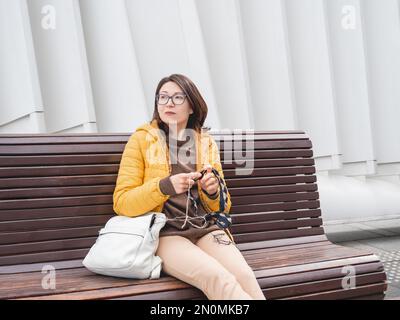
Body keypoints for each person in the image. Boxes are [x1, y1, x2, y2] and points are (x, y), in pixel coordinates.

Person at [113, 74, 266, 300]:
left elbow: (222, 206)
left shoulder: (205, 142)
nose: (168, 103)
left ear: (192, 106)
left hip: (205, 229)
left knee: (244, 275)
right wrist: (164, 187)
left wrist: (212, 190)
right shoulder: (141, 140)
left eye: (177, 97)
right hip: (166, 234)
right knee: (218, 278)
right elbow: (122, 202)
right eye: (162, 97)